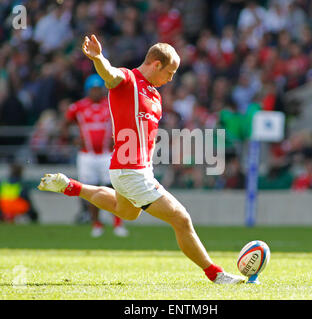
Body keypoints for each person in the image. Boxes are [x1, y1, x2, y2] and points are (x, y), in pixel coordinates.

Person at [38, 34, 245, 284]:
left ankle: (71, 186)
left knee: (125, 212)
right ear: (156, 64)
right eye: (170, 72)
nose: (171, 79)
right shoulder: (129, 80)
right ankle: (216, 274)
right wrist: (98, 58)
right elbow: (110, 74)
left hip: (135, 169)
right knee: (181, 218)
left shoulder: (155, 95)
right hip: (130, 170)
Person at [63, 73, 128, 237]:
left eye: (99, 89)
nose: (96, 92)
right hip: (87, 155)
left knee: (113, 188)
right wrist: (72, 139)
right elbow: (64, 123)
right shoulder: (78, 107)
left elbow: (125, 120)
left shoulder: (110, 105)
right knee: (90, 190)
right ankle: (96, 224)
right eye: (93, 89)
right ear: (88, 90)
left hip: (107, 154)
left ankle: (118, 223)